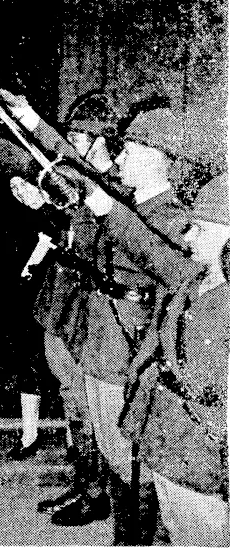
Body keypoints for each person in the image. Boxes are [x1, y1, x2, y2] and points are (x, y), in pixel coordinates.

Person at [0, 89, 203, 544]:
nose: (120, 153)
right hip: (103, 334)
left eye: (130, 148)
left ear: (159, 158)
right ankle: (127, 529)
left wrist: (101, 207)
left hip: (124, 339)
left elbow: (156, 258)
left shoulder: (167, 214)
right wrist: (23, 120)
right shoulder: (132, 196)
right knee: (114, 448)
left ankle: (139, 535)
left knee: (130, 450)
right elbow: (70, 157)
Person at [0, 91, 116, 525]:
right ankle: (85, 479)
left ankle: (98, 490)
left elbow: (85, 240)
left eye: (76, 138)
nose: (63, 146)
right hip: (60, 300)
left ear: (98, 142)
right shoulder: (74, 180)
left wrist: (47, 210)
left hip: (90, 305)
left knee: (90, 398)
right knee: (71, 393)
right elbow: (29, 163)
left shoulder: (107, 189)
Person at [120, 172, 229, 546]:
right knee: (178, 525)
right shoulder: (192, 276)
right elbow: (146, 246)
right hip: (169, 440)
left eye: (199, 228)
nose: (187, 237)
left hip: (205, 457)